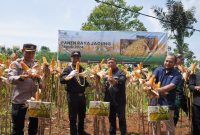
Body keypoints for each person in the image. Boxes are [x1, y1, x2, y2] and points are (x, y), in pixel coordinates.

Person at [8, 44, 42, 135]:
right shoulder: (15, 64)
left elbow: (41, 82)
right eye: (28, 52)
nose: (31, 55)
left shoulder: (36, 65)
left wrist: (40, 79)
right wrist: (20, 77)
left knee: (33, 128)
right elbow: (10, 78)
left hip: (34, 101)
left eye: (33, 53)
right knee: (17, 129)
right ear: (23, 51)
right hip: (20, 100)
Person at [146, 53, 182, 135]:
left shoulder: (177, 74)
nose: (168, 63)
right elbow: (152, 79)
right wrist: (148, 84)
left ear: (174, 63)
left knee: (169, 128)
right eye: (166, 61)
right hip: (155, 102)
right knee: (155, 126)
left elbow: (171, 86)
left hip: (166, 103)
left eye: (170, 62)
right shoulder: (158, 70)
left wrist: (156, 90)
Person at [60, 51, 90, 135]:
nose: (76, 59)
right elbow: (62, 80)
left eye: (77, 57)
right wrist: (70, 75)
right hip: (72, 96)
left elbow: (85, 82)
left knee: (82, 115)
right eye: (74, 57)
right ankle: (73, 133)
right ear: (71, 58)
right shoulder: (68, 69)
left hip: (82, 96)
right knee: (73, 116)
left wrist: (91, 81)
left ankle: (81, 131)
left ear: (79, 58)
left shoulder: (82, 69)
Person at [104, 57, 127, 135]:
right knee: (111, 120)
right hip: (109, 101)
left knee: (121, 119)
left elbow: (122, 80)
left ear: (115, 63)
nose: (110, 64)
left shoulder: (121, 72)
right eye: (109, 62)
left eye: (112, 62)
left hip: (119, 101)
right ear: (107, 64)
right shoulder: (105, 73)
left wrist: (114, 80)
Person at [173, 54, 188, 126]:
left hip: (181, 94)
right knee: (174, 115)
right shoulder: (172, 69)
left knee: (191, 109)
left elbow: (187, 80)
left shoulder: (182, 69)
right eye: (181, 59)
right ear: (177, 59)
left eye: (183, 59)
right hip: (174, 95)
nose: (183, 60)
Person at [188, 71, 200, 135]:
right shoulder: (194, 75)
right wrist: (196, 87)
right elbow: (190, 86)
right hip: (197, 103)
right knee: (196, 122)